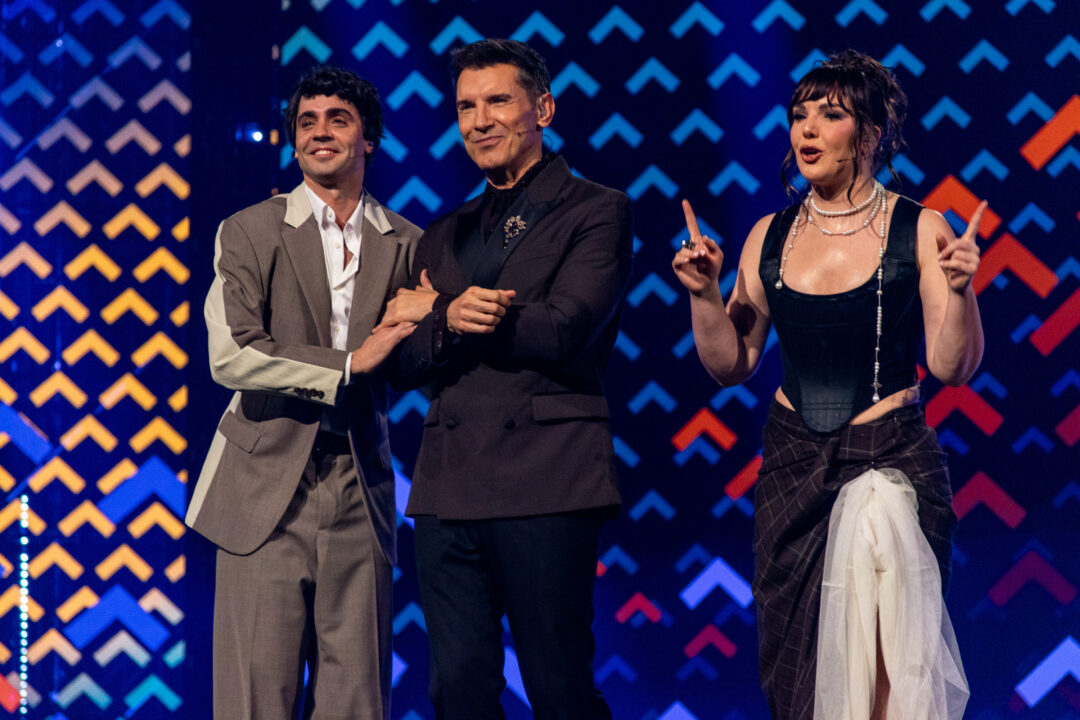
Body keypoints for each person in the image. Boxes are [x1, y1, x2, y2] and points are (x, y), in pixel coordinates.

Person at [672, 50, 981, 720]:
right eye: (799, 115)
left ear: (868, 134)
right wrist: (703, 295)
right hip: (793, 470)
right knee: (800, 676)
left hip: (888, 467)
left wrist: (960, 291)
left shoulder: (920, 227)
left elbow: (954, 367)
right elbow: (732, 364)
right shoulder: (769, 235)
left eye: (830, 115)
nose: (807, 130)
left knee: (884, 671)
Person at [377, 38, 633, 720]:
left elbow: (561, 330)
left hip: (547, 477)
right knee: (456, 688)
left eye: (497, 101)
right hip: (448, 484)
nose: (479, 120)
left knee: (557, 685)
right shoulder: (443, 231)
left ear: (542, 108)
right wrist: (444, 320)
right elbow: (402, 363)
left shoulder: (595, 209)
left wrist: (438, 309)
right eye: (466, 106)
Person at [185, 66, 422, 720]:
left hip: (359, 484)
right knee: (255, 699)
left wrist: (440, 316)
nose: (320, 133)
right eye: (306, 122)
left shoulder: (406, 242)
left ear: (367, 137)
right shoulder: (249, 230)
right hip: (263, 484)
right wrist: (347, 365)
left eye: (337, 119)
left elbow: (414, 363)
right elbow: (230, 354)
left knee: (358, 704)